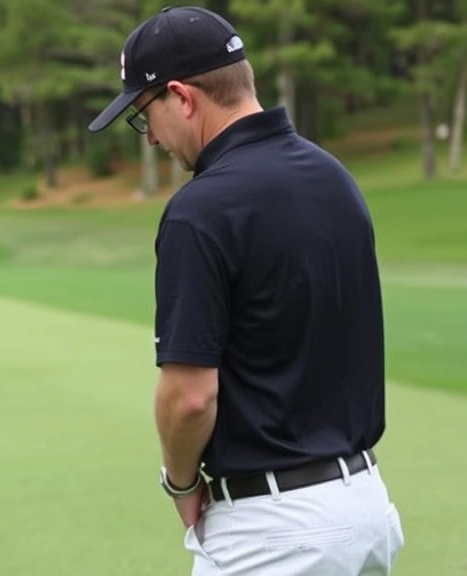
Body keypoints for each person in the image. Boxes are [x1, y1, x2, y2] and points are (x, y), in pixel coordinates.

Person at [88, 6, 404, 575]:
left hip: (276, 532)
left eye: (145, 115)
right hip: (366, 509)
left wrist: (179, 482)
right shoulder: (333, 176)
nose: (153, 138)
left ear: (182, 98)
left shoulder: (200, 209)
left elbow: (189, 397)